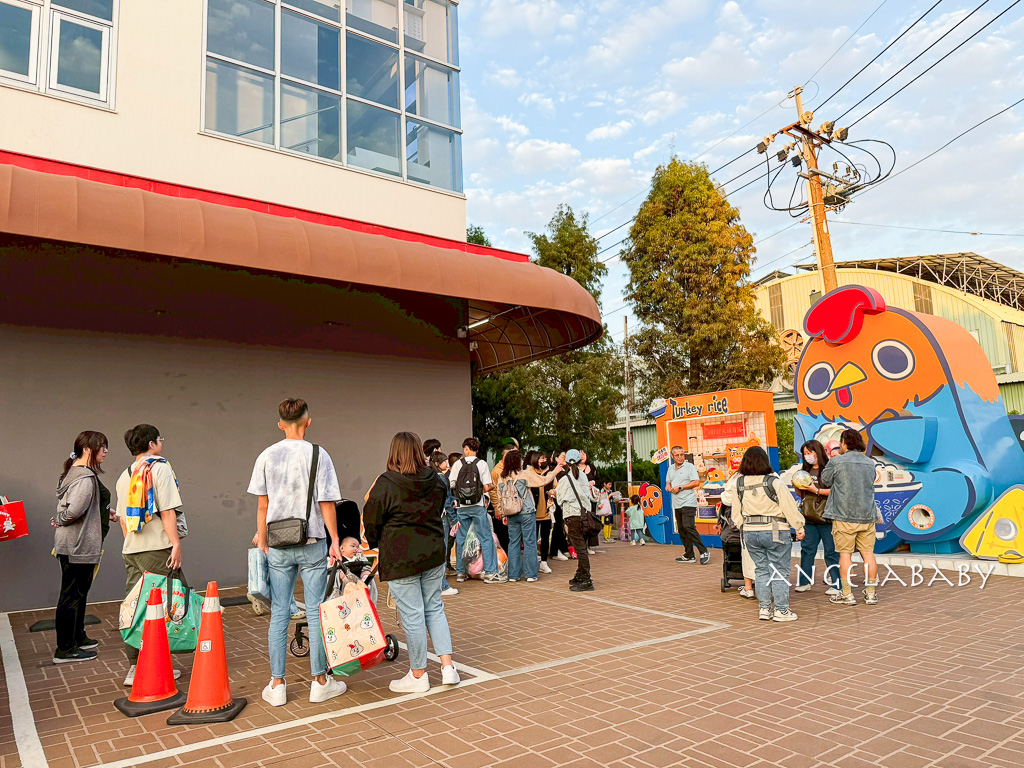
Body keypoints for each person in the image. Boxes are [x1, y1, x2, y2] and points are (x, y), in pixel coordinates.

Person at [249, 398, 346, 707]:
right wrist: (334, 539)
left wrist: (262, 539)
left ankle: (277, 685)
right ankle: (320, 682)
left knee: (279, 611)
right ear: (308, 421)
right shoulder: (319, 454)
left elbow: (262, 505)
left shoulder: (266, 455)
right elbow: (326, 502)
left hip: (278, 543)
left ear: (280, 424)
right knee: (316, 611)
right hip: (312, 541)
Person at [364, 431, 460, 692]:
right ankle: (448, 667)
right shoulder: (437, 480)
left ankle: (418, 676)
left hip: (400, 556)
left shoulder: (386, 483)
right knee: (435, 608)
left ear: (394, 453)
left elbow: (371, 520)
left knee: (414, 616)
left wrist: (377, 542)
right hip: (432, 553)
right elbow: (440, 507)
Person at [116, 424, 187, 686]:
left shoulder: (125, 476)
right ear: (150, 444)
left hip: (132, 549)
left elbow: (124, 520)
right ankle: (154, 664)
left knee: (135, 606)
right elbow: (167, 511)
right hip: (156, 548)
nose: (162, 442)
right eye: (159, 438)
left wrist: (132, 543)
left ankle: (135, 666)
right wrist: (175, 544)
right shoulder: (160, 468)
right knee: (168, 602)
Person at [727, 447, 805, 622]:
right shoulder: (774, 482)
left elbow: (736, 514)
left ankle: (764, 608)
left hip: (750, 531)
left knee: (761, 570)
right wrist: (799, 527)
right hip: (775, 529)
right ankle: (781, 610)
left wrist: (744, 526)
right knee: (779, 570)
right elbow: (789, 506)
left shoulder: (739, 483)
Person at [51, 431, 108, 663]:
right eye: (102, 447)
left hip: (72, 544)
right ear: (88, 449)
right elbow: (74, 510)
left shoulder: (74, 472)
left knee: (77, 593)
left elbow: (85, 506)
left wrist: (105, 513)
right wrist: (61, 518)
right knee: (71, 595)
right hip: (77, 545)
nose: (105, 451)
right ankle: (65, 649)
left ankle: (77, 637)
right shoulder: (84, 477)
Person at [819, 429, 880, 606]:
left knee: (845, 555)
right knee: (868, 554)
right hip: (867, 516)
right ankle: (870, 594)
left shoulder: (837, 462)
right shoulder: (870, 463)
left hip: (843, 515)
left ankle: (847, 594)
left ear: (844, 443)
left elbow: (826, 481)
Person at [497, 450, 556, 583]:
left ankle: (513, 574)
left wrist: (502, 513)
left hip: (511, 514)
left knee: (513, 543)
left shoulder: (502, 477)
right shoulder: (524, 474)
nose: (523, 461)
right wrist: (555, 471)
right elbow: (544, 480)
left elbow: (500, 496)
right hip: (527, 512)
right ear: (518, 462)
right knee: (530, 542)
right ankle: (530, 574)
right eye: (521, 459)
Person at [449, 438, 502, 583]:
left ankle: (461, 573)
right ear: (476, 449)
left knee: (461, 539)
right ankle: (490, 573)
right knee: (485, 538)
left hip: (462, 508)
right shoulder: (482, 464)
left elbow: (452, 484)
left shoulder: (458, 464)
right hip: (478, 506)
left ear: (466, 449)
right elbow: (486, 487)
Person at [794, 440, 842, 596]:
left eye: (810, 452)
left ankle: (836, 584)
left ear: (818, 452)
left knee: (831, 552)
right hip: (809, 517)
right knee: (807, 550)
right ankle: (804, 581)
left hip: (827, 517)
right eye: (805, 454)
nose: (808, 456)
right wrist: (798, 487)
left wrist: (816, 490)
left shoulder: (828, 469)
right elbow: (803, 495)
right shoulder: (805, 471)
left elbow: (835, 491)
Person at [556, 450, 597, 592]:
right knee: (582, 547)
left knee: (580, 549)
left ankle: (586, 579)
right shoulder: (584, 477)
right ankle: (580, 575)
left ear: (566, 462)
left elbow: (560, 499)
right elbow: (588, 495)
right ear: (580, 461)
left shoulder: (564, 480)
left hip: (572, 517)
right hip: (584, 516)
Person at [666, 446, 710, 565]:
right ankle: (689, 554)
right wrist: (668, 487)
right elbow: (668, 482)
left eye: (682, 454)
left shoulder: (689, 467)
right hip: (677, 503)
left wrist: (680, 487)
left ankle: (703, 550)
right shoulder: (670, 468)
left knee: (688, 526)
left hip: (688, 502)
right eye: (677, 455)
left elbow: (696, 482)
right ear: (672, 456)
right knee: (682, 529)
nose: (680, 457)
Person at [429, 450, 458, 597]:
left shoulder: (430, 477)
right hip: (443, 517)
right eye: (444, 461)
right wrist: (454, 520)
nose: (447, 463)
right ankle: (443, 585)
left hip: (433, 517)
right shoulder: (442, 478)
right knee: (444, 548)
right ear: (437, 463)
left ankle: (438, 584)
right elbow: (446, 501)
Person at [528, 452, 558, 573]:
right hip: (532, 513)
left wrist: (553, 492)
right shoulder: (529, 473)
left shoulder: (550, 474)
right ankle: (534, 561)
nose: (544, 460)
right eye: (541, 458)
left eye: (545, 458)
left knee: (545, 538)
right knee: (532, 539)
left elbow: (557, 488)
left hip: (546, 512)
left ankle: (544, 562)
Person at [488, 443, 515, 554]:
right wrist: (497, 508)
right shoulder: (496, 471)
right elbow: (492, 491)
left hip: (513, 508)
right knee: (504, 538)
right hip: (502, 509)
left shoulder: (513, 468)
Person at [547, 451, 570, 560]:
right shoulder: (552, 471)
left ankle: (563, 548)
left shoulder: (567, 470)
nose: (564, 458)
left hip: (564, 500)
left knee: (561, 525)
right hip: (554, 501)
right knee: (556, 525)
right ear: (555, 458)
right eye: (562, 457)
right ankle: (555, 551)